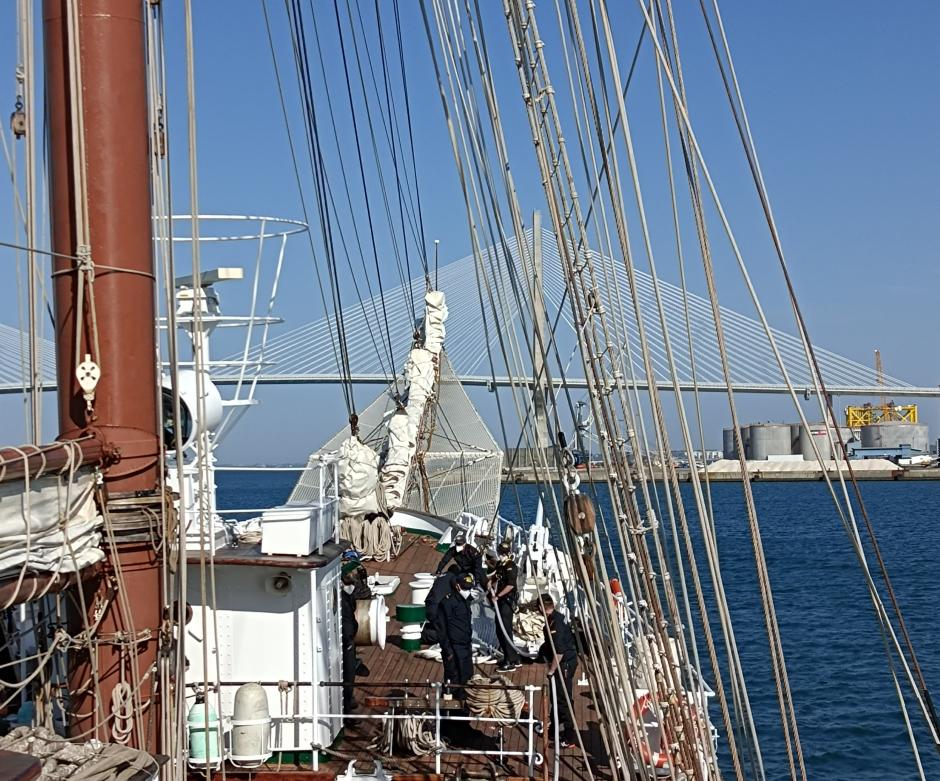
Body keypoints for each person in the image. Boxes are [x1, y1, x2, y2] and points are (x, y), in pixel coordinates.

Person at [537, 594, 578, 748]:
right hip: (564, 662)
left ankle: (569, 737)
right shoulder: (556, 618)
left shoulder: (556, 624)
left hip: (564, 665)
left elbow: (559, 651)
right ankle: (554, 727)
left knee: (563, 699)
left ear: (541, 608)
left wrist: (551, 670)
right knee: (556, 697)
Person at [435, 572, 475, 696]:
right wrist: (448, 651)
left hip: (466, 646)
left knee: (467, 678)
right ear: (457, 586)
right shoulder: (447, 603)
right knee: (452, 681)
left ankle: (464, 708)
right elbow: (441, 629)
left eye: (469, 588)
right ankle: (448, 709)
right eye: (465, 588)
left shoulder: (466, 601)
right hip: (453, 648)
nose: (467, 591)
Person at [489, 541, 521, 672]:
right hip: (501, 602)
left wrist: (497, 596)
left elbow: (511, 585)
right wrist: (490, 583)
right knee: (500, 629)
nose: (501, 554)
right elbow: (497, 576)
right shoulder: (500, 565)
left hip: (507, 602)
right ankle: (514, 657)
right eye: (500, 552)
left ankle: (510, 661)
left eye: (503, 553)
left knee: (504, 630)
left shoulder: (511, 566)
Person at [340, 563, 360, 712]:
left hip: (347, 640)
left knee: (348, 677)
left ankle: (347, 703)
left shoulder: (347, 596)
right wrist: (348, 641)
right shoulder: (344, 599)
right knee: (348, 677)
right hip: (346, 642)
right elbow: (347, 621)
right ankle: (346, 711)